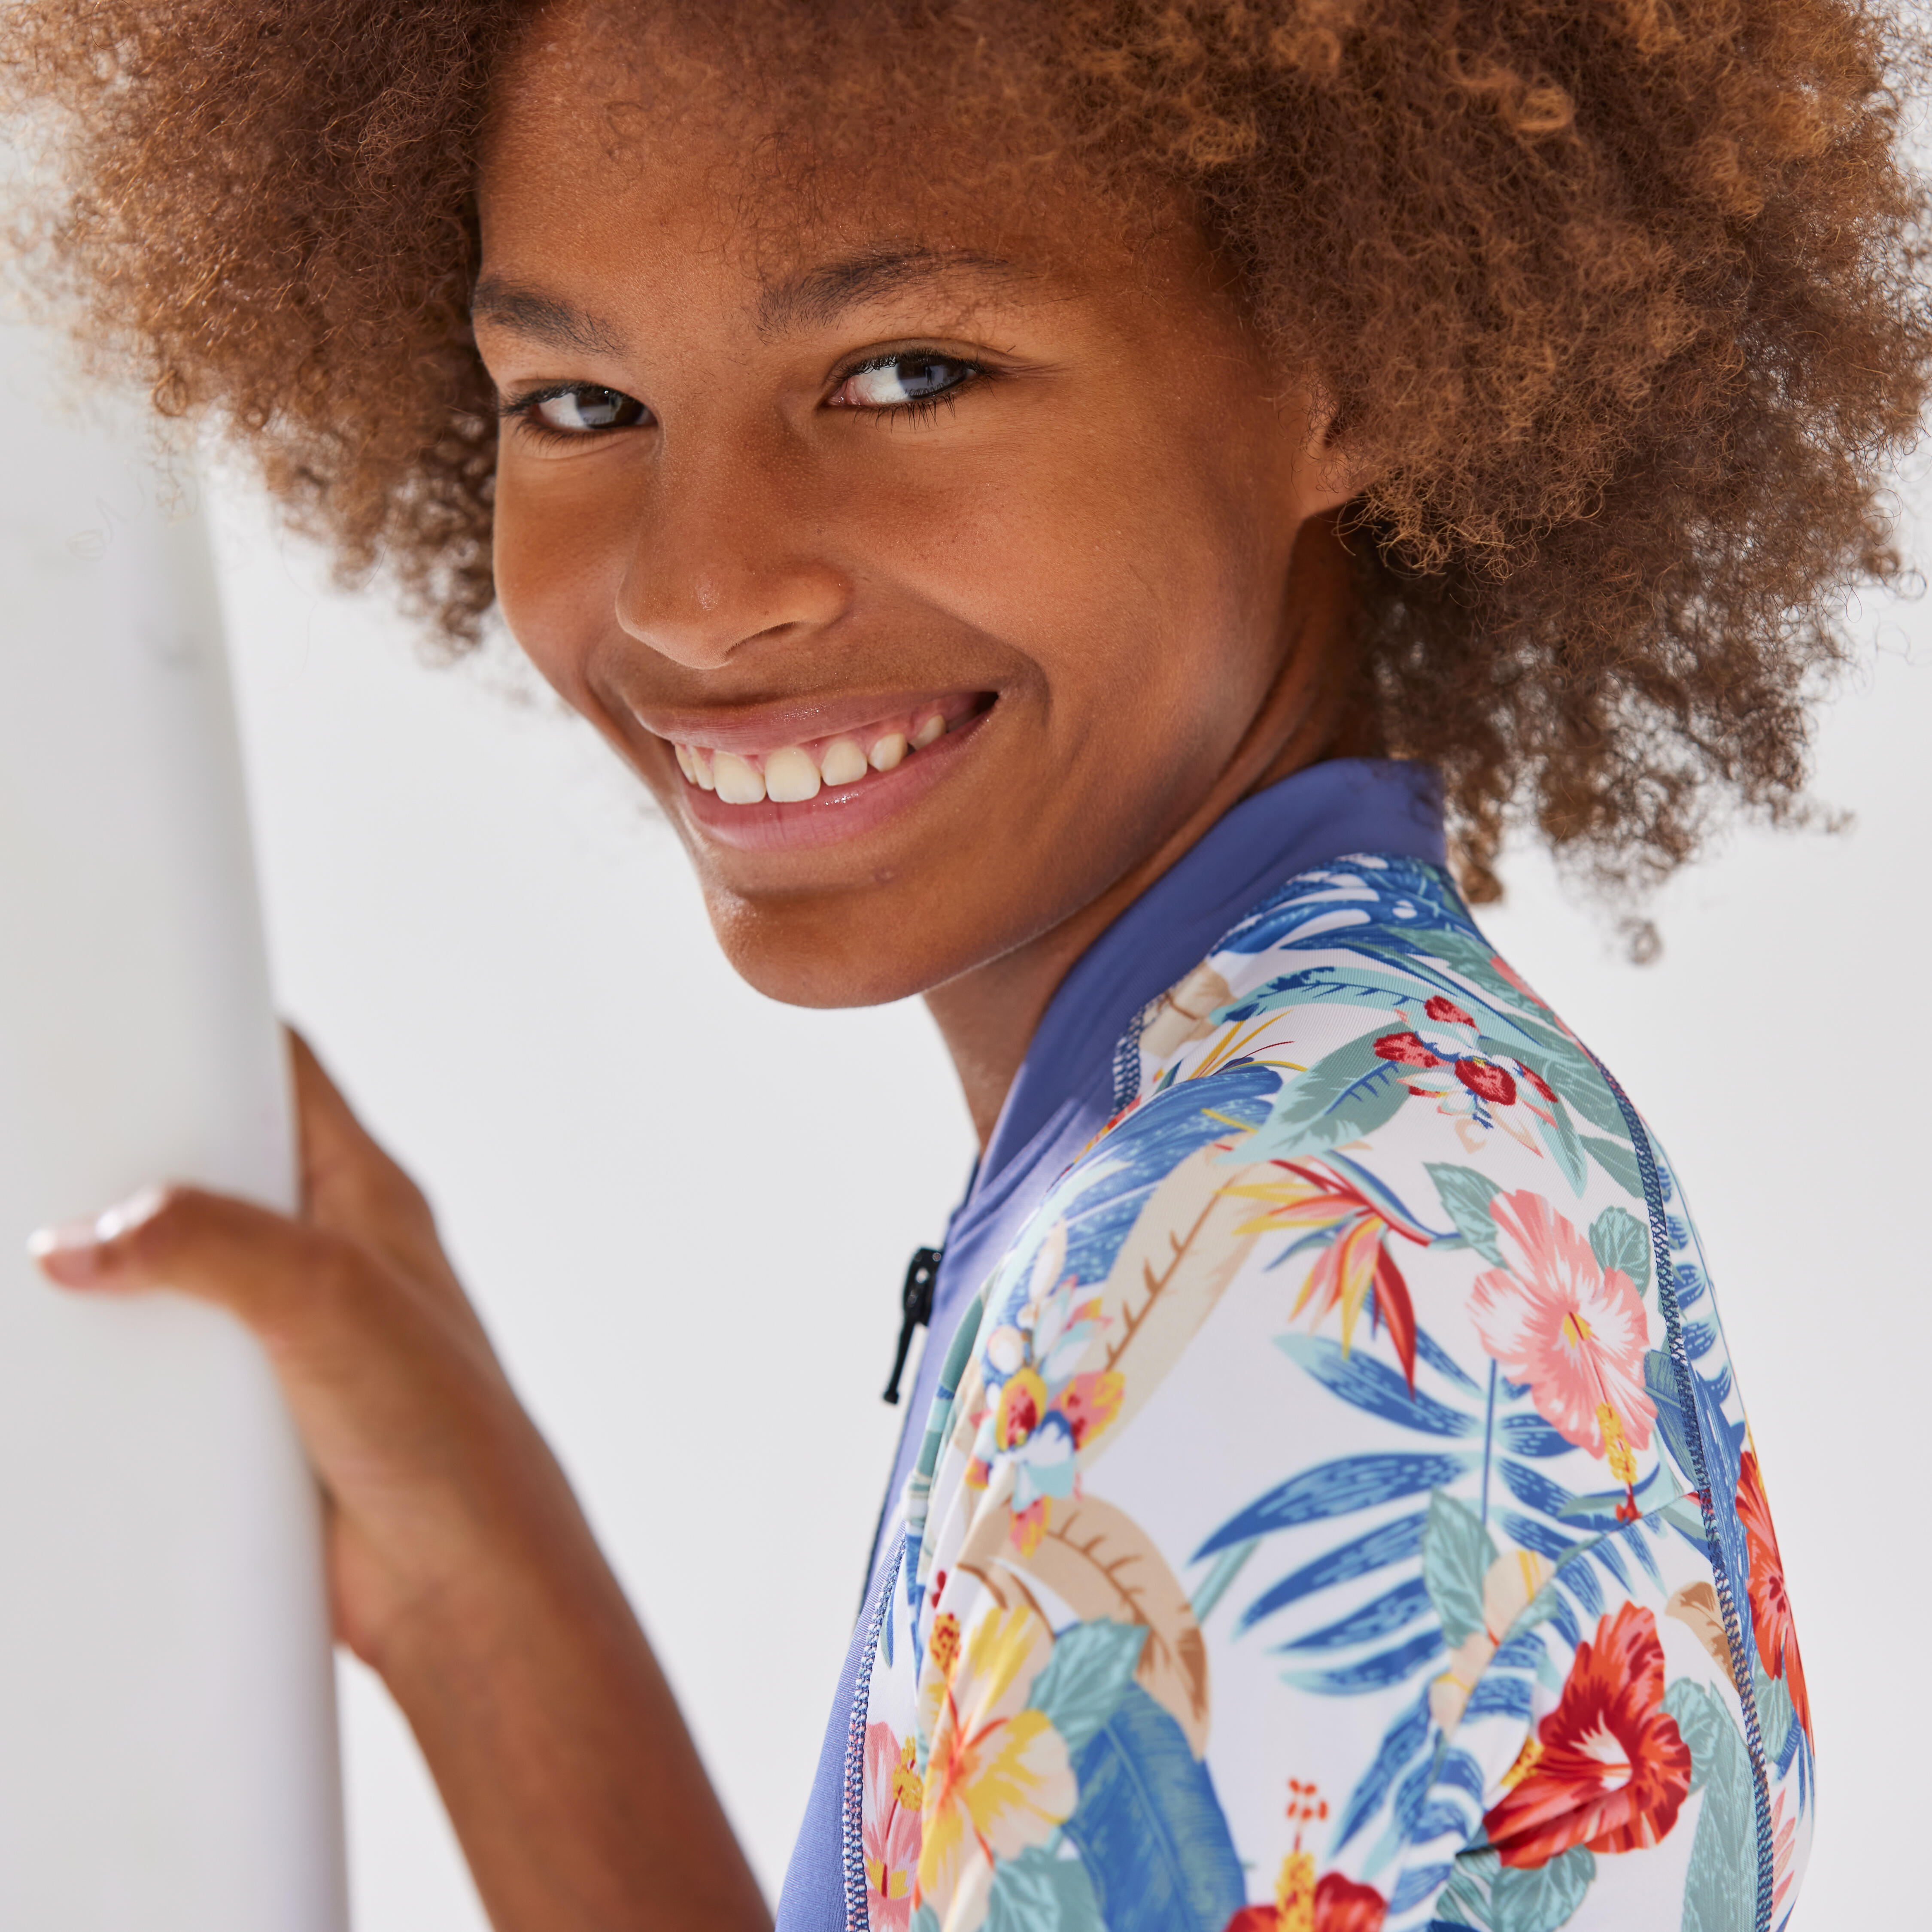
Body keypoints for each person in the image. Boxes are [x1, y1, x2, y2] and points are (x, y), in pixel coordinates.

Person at [7, 0, 1921, 1926]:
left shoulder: (1287, 1278)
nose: (698, 588)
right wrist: (473, 1582)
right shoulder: (1280, 1138)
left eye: (908, 372)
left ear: (1354, 360)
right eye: (582, 404)